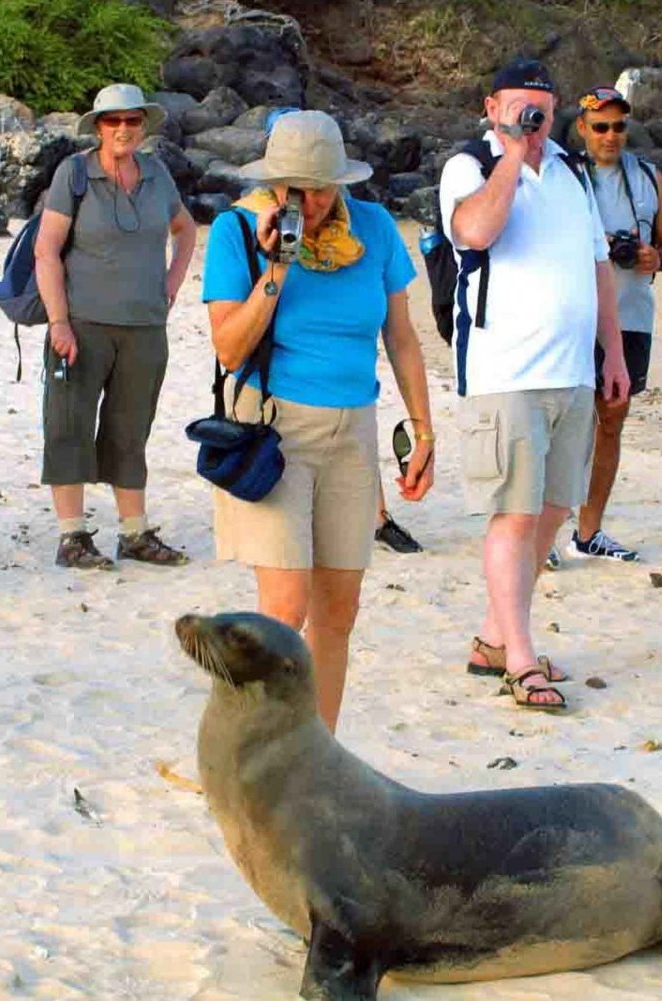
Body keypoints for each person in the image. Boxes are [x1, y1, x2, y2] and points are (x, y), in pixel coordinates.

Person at [203, 110, 435, 731]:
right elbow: (228, 348)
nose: (308, 201)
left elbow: (403, 338)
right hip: (273, 432)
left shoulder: (377, 228)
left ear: (341, 181)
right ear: (274, 183)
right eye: (295, 189)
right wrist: (276, 268)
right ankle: (251, 753)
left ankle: (317, 754)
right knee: (283, 610)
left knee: (340, 610)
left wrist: (423, 430)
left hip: (353, 432)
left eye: (321, 187)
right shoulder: (233, 232)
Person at [439, 58, 630, 711]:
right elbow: (476, 231)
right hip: (504, 371)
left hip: (571, 370)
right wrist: (511, 159)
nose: (533, 119)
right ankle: (520, 658)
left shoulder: (574, 173)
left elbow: (599, 266)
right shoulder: (470, 166)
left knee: (552, 511)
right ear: (491, 107)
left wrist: (614, 353)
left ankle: (496, 637)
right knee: (514, 514)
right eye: (520, 108)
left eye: (542, 110)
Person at [34, 83, 197, 569]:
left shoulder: (157, 173)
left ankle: (134, 533)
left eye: (132, 121)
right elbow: (47, 250)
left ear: (143, 125)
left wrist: (171, 282)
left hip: (145, 325)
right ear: (98, 126)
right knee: (69, 426)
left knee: (131, 428)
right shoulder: (74, 173)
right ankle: (72, 536)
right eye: (113, 121)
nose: (123, 129)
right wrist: (58, 322)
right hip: (81, 323)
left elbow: (185, 230)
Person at [566, 85, 662, 563]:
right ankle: (545, 531)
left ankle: (588, 531)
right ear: (582, 128)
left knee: (611, 421)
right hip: (572, 316)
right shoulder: (563, 176)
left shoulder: (651, 178)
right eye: (600, 127)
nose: (610, 136)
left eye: (618, 126)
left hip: (632, 314)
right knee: (563, 422)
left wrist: (656, 256)